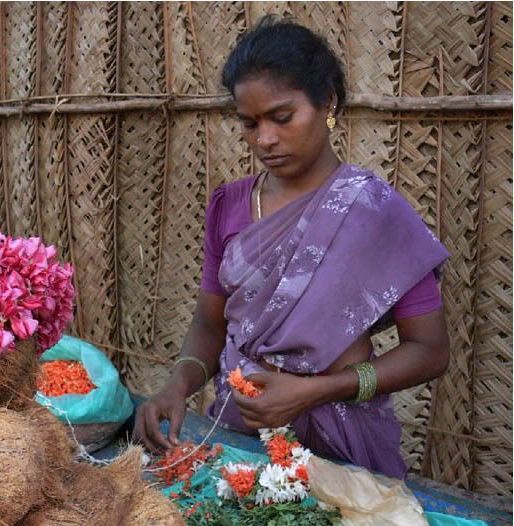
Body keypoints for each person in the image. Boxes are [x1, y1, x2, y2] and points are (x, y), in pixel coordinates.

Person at [133, 18, 450, 480]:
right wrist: (177, 386)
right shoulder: (230, 206)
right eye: (249, 123)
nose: (265, 139)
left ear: (328, 102)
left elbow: (429, 351)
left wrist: (316, 390)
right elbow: (209, 321)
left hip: (340, 447)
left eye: (282, 118)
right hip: (240, 432)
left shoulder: (374, 212)